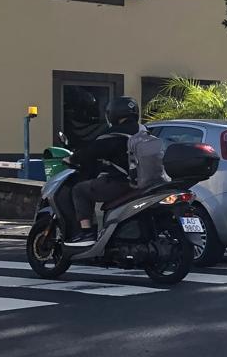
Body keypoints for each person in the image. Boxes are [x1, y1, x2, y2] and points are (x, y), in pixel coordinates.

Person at [64, 96, 162, 247]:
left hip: (123, 183)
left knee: (79, 190)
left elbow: (90, 153)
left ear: (113, 113)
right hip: (151, 182)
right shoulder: (145, 132)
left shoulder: (112, 134)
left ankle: (86, 233)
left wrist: (71, 159)